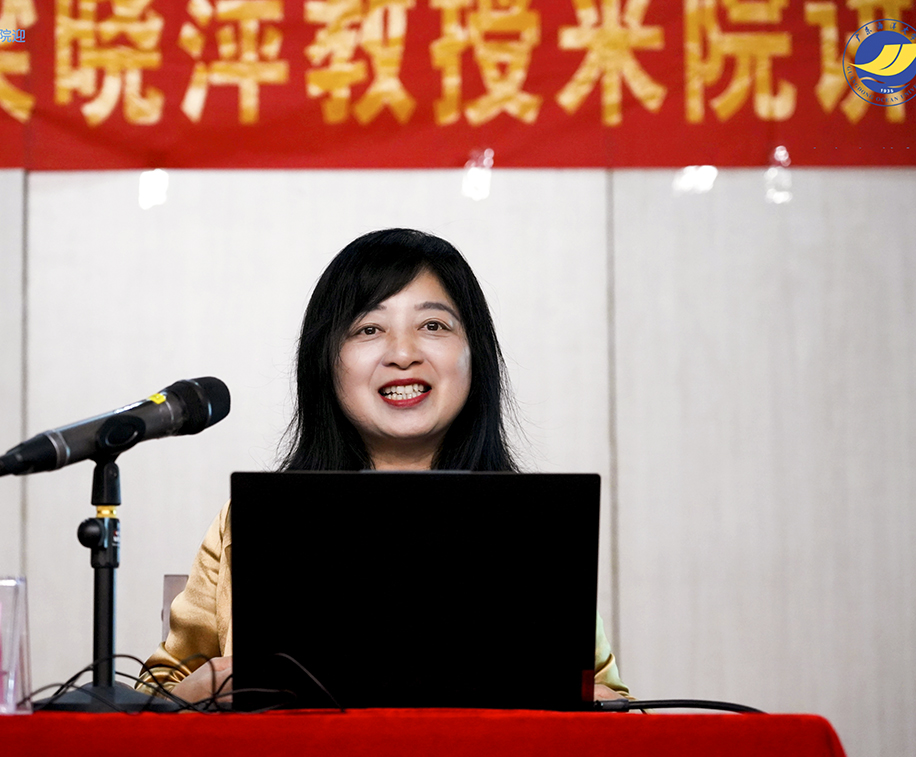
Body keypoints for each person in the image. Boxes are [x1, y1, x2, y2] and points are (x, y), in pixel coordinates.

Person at [139, 228, 630, 704]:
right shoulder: (249, 523)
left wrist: (597, 703)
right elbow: (154, 695)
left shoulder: (537, 525)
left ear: (474, 354)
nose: (403, 354)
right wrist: (198, 689)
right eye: (369, 329)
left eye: (433, 326)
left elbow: (617, 705)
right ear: (326, 360)